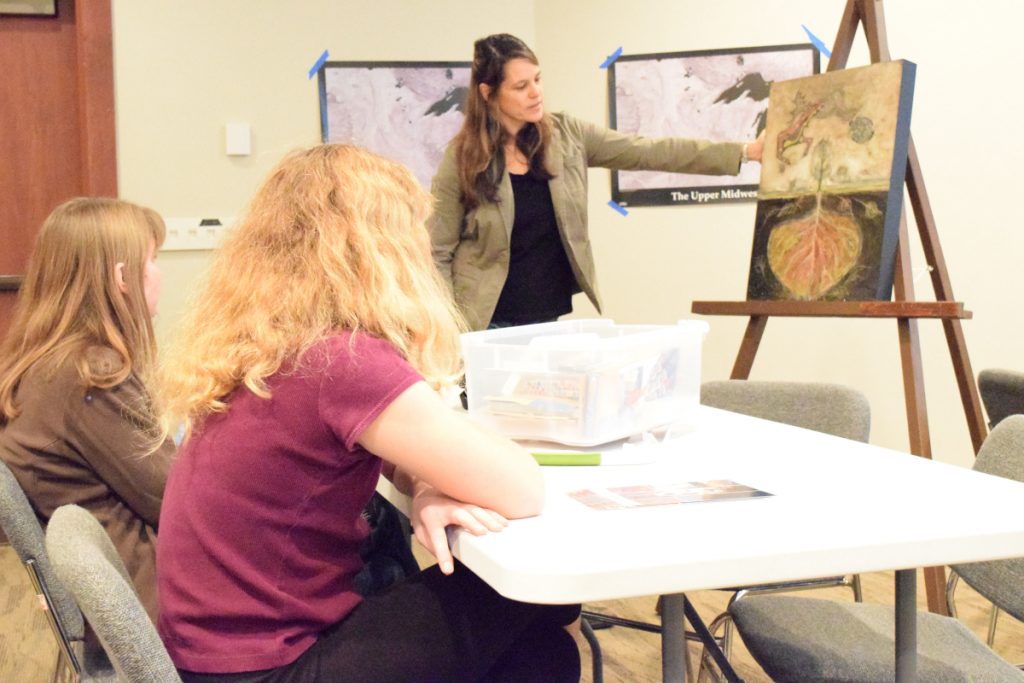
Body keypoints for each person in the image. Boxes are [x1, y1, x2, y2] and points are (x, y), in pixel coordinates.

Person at [156, 144, 581, 682]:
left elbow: (397, 456)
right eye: (414, 230)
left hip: (214, 652)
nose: (427, 246)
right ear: (380, 247)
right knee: (542, 590)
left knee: (541, 652)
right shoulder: (343, 360)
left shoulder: (273, 347)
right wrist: (439, 482)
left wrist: (428, 489)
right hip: (269, 666)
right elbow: (523, 488)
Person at [430, 33, 765, 330]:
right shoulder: (462, 158)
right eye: (521, 86)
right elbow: (437, 250)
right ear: (488, 94)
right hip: (484, 323)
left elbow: (650, 151)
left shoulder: (568, 136)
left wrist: (745, 151)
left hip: (547, 318)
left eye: (538, 79)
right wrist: (448, 328)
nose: (536, 93)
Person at [0, 197, 174, 623]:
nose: (159, 273)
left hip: (116, 596)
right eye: (151, 260)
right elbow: (176, 499)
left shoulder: (40, 362)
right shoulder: (90, 376)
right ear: (122, 278)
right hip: (149, 603)